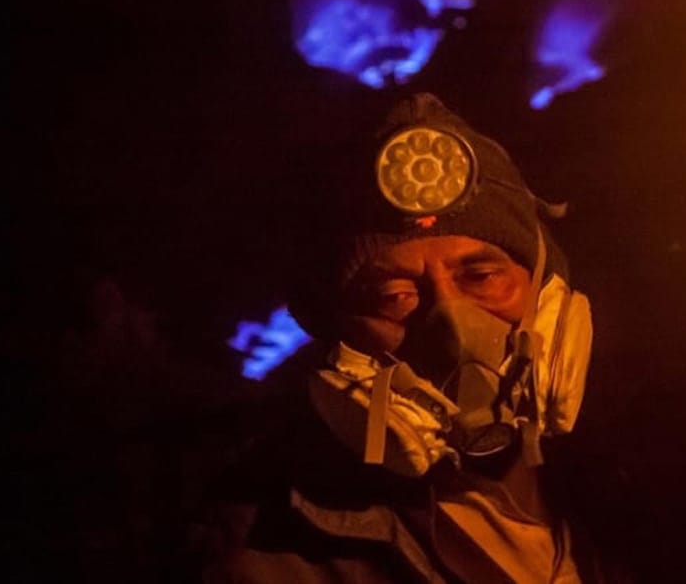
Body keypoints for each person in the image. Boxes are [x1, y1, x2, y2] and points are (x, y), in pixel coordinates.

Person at [197, 94, 599, 582]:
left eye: (482, 276)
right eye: (395, 296)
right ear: (338, 330)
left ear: (547, 293)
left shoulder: (650, 485)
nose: (453, 325)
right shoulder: (269, 556)